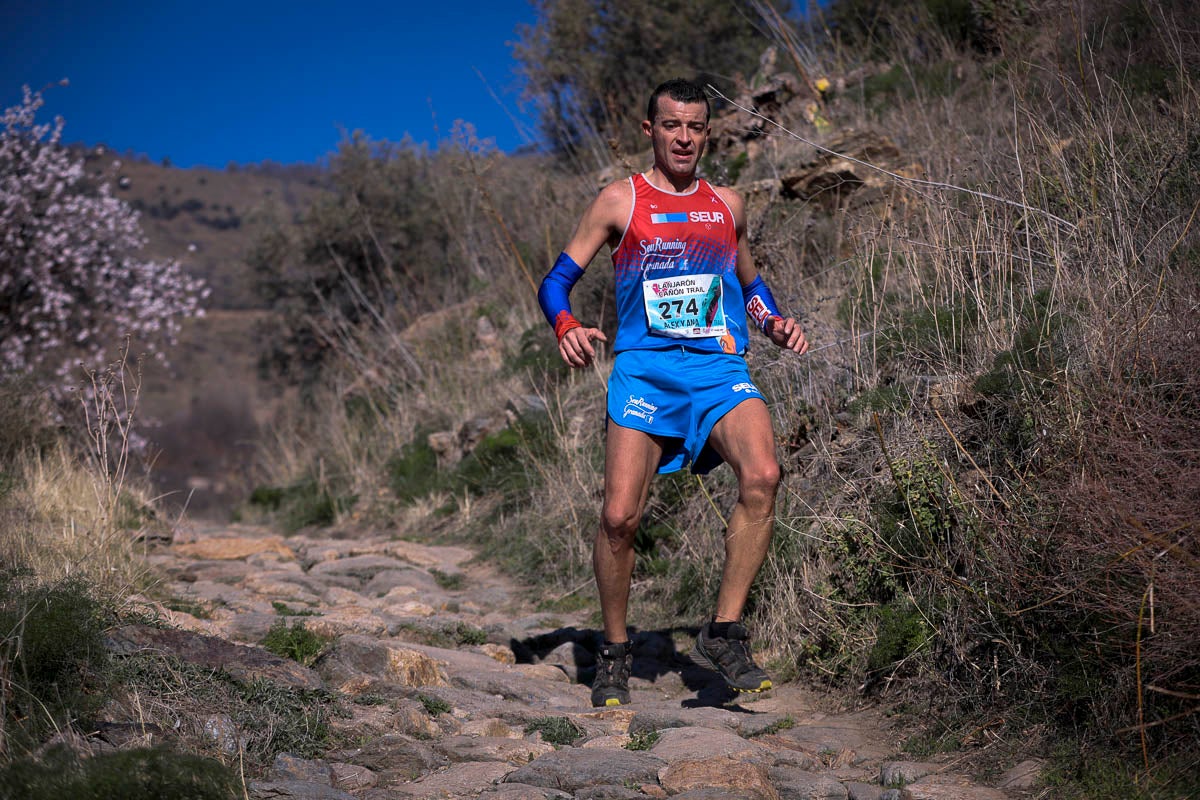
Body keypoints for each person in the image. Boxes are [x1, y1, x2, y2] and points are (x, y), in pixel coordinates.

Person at [537, 78, 809, 707]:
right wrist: (567, 325)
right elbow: (556, 281)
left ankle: (725, 631)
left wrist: (771, 320)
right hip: (646, 371)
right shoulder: (619, 202)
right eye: (671, 126)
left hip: (717, 370)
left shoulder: (728, 205)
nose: (683, 138)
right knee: (617, 518)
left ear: (706, 132)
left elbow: (750, 283)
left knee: (763, 474)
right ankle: (612, 650)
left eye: (694, 127)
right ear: (650, 131)